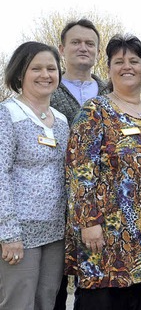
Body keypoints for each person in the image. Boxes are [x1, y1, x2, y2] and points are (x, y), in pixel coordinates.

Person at [65, 34, 141, 310]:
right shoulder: (94, 111)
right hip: (107, 241)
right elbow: (79, 170)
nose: (127, 66)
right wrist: (88, 223)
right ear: (108, 70)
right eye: (118, 61)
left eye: (134, 60)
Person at [0, 41, 68, 310]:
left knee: (46, 302)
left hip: (54, 232)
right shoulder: (7, 115)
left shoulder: (62, 121)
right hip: (19, 232)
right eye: (36, 68)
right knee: (18, 303)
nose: (45, 74)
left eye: (51, 68)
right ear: (20, 74)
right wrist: (8, 233)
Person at [51, 18, 110, 310]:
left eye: (90, 44)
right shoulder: (45, 90)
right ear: (62, 48)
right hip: (54, 204)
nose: (83, 48)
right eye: (76, 42)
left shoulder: (112, 94)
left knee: (96, 288)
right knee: (54, 288)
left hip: (99, 209)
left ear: (98, 52)